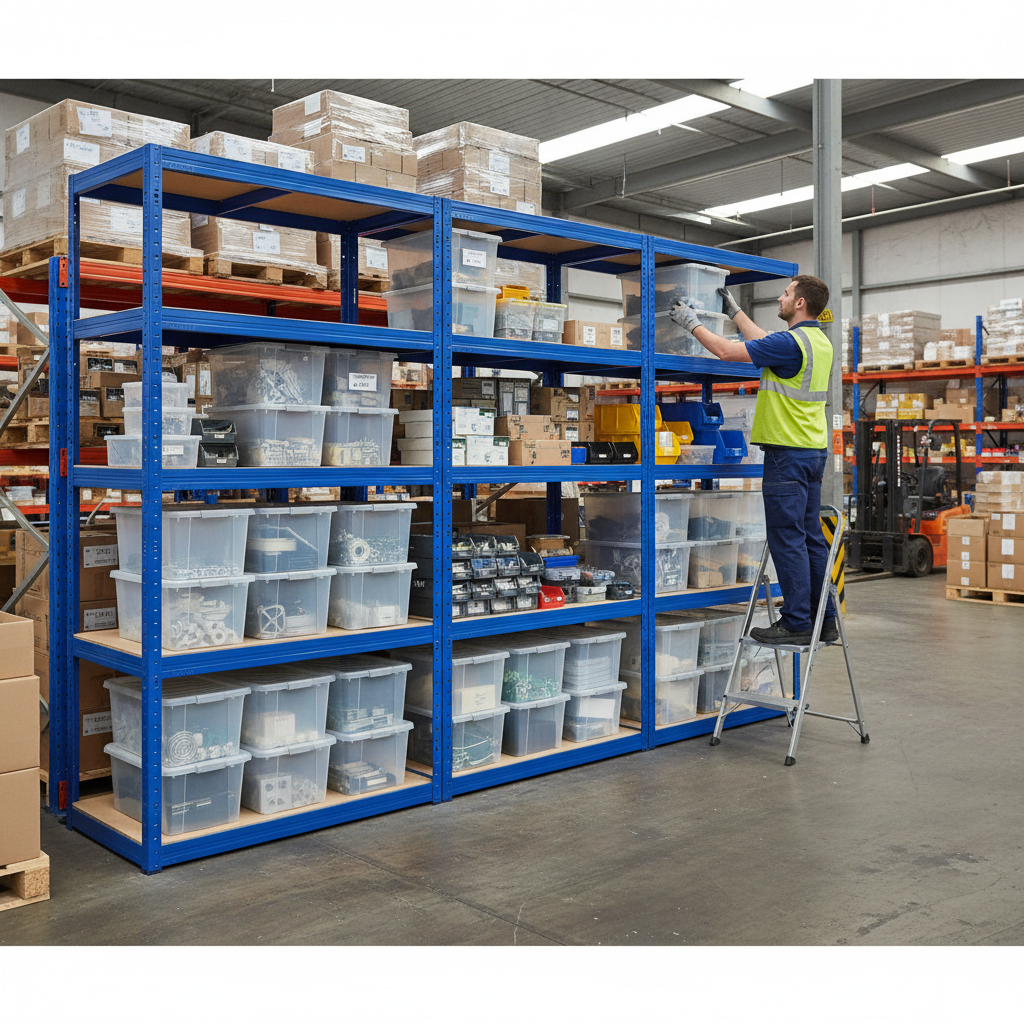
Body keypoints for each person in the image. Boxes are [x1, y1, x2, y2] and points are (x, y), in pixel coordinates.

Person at [669, 275, 837, 646]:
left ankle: (796, 622)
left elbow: (727, 353)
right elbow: (764, 340)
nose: (780, 297)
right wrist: (735, 313)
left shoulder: (791, 343)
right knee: (810, 538)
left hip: (786, 455)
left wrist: (691, 323)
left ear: (800, 303)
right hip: (812, 452)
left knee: (787, 539)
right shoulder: (817, 341)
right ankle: (824, 620)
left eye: (786, 293)